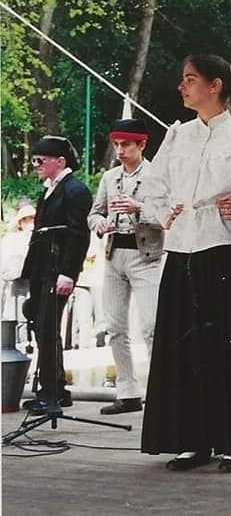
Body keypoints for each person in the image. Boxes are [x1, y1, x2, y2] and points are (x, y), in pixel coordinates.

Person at [140, 55, 231, 473]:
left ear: (215, 85)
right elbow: (153, 186)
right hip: (184, 246)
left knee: (230, 347)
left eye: (190, 80)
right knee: (187, 349)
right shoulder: (176, 135)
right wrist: (164, 212)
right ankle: (192, 439)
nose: (182, 88)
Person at [87, 118, 164, 414]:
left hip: (147, 257)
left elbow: (167, 214)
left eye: (126, 144)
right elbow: (94, 213)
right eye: (117, 144)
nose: (120, 150)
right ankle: (128, 391)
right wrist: (100, 224)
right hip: (114, 254)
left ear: (142, 144)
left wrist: (138, 208)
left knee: (151, 326)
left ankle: (158, 389)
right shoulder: (110, 177)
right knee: (115, 326)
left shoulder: (157, 174)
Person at [19, 136, 92, 415]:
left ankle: (50, 392)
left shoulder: (75, 191)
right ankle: (56, 387)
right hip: (42, 268)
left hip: (57, 270)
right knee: (41, 325)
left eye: (41, 160)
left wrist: (68, 272)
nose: (36, 165)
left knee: (49, 328)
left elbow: (77, 236)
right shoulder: (49, 190)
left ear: (60, 162)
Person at [1, 202, 36, 327]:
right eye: (26, 220)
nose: (30, 224)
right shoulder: (11, 239)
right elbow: (5, 261)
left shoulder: (39, 238)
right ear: (20, 223)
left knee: (31, 316)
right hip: (15, 283)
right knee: (15, 315)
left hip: (33, 282)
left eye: (32, 220)